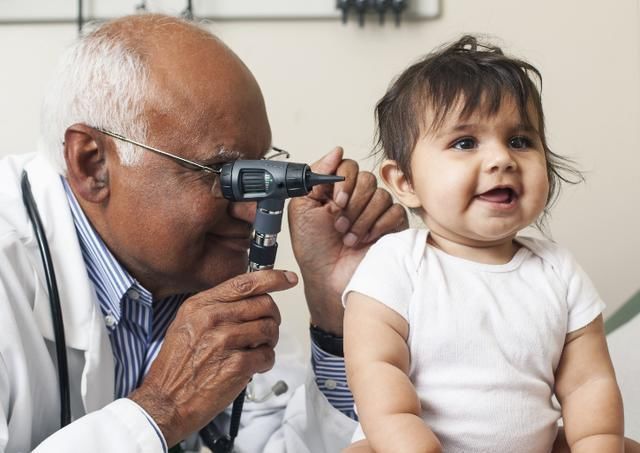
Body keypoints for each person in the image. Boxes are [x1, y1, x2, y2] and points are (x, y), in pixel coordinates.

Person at [0, 14, 408, 453]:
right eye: (220, 172)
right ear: (92, 165)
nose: (254, 210)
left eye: (259, 167)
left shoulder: (194, 269)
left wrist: (339, 317)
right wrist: (160, 410)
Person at [342, 35, 627, 453]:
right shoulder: (396, 262)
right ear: (405, 183)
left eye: (520, 141)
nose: (502, 159)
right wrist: (411, 443)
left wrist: (598, 441)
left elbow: (589, 382)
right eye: (465, 143)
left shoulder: (558, 271)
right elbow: (376, 368)